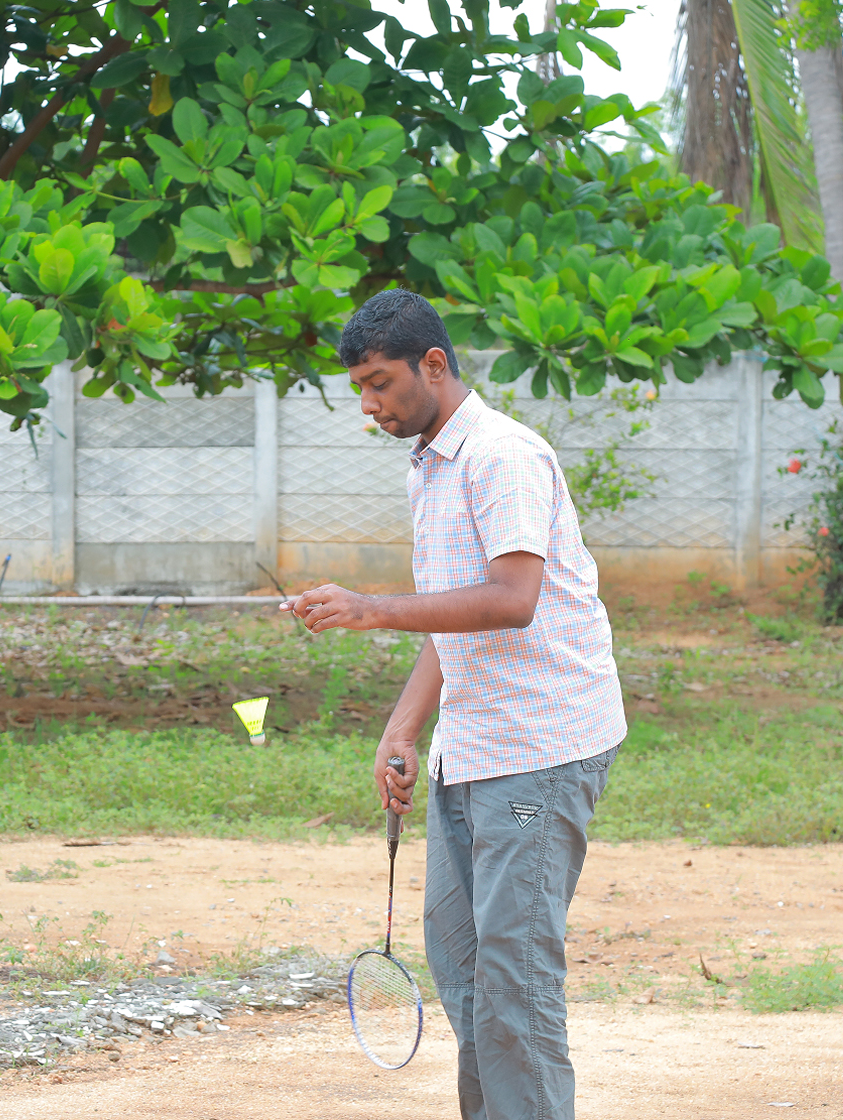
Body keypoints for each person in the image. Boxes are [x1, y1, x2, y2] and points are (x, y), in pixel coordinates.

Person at [282, 288, 627, 1120]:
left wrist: (369, 607)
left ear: (434, 365)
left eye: (379, 382)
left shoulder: (502, 457)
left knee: (514, 978)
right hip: (470, 744)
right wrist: (405, 725)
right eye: (358, 387)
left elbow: (511, 598)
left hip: (539, 748)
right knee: (461, 959)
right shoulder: (429, 463)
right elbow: (454, 612)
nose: (369, 405)